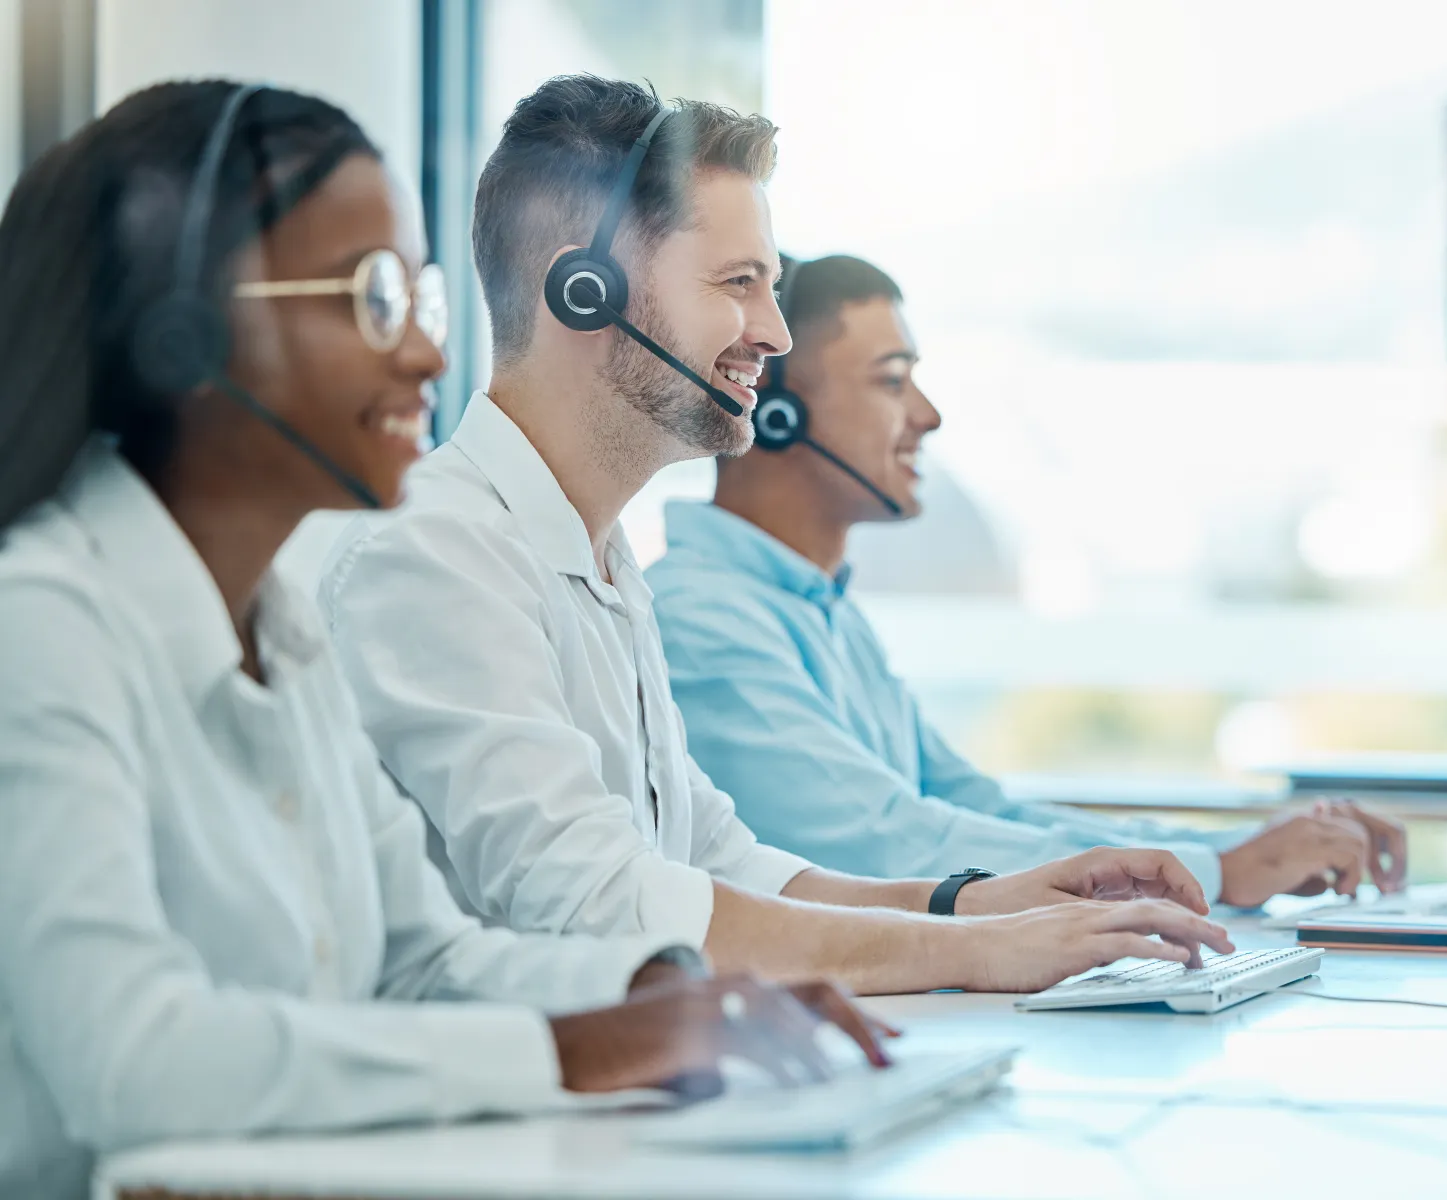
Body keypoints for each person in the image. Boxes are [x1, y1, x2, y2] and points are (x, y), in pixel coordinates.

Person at [0, 81, 889, 1200]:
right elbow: (134, 1058)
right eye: (375, 299)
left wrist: (669, 992)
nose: (427, 353)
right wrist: (580, 1048)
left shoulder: (282, 630)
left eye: (419, 295)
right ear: (188, 330)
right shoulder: (40, 630)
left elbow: (423, 963)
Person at [317, 74, 1235, 998]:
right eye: (738, 284)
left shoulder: (602, 566)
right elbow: (598, 903)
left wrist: (983, 905)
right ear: (585, 291)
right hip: (498, 1123)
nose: (775, 331)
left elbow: (727, 866)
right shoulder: (435, 555)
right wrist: (977, 954)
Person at [647, 253, 1409, 909]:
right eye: (892, 381)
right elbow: (888, 842)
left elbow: (972, 806)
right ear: (773, 409)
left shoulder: (816, 608)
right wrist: (1223, 872)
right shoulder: (702, 619)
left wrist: (1236, 852)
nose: (928, 415)